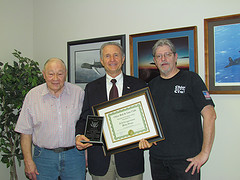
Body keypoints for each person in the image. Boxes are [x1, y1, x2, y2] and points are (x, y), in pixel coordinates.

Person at [139, 39, 216, 180]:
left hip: (186, 161)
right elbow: (147, 120)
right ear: (154, 61)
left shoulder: (192, 79)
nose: (163, 59)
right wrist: (146, 138)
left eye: (167, 54)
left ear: (175, 57)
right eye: (159, 56)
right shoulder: (151, 86)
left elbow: (210, 115)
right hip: (157, 160)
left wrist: (205, 153)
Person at [75, 42, 147, 180]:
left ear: (123, 58)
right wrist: (79, 135)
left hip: (130, 160)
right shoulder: (91, 88)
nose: (112, 59)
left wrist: (148, 137)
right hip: (99, 159)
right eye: (107, 56)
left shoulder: (139, 85)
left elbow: (146, 119)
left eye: (116, 55)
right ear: (102, 61)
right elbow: (85, 118)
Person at [15, 58, 86, 180]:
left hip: (74, 156)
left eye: (60, 73)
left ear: (66, 73)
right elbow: (25, 132)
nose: (55, 78)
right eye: (51, 74)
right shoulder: (32, 96)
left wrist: (86, 155)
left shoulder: (78, 93)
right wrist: (28, 161)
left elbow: (85, 123)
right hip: (43, 157)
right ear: (44, 74)